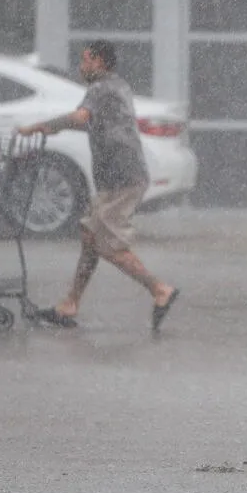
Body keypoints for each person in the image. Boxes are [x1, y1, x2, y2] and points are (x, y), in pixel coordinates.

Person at [18, 40, 180, 331]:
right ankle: (69, 305)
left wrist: (43, 125)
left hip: (122, 178)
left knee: (109, 245)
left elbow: (81, 117)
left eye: (85, 60)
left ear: (99, 61)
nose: (81, 67)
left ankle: (159, 289)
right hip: (118, 177)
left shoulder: (100, 88)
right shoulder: (118, 86)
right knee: (91, 236)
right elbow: (91, 123)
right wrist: (55, 126)